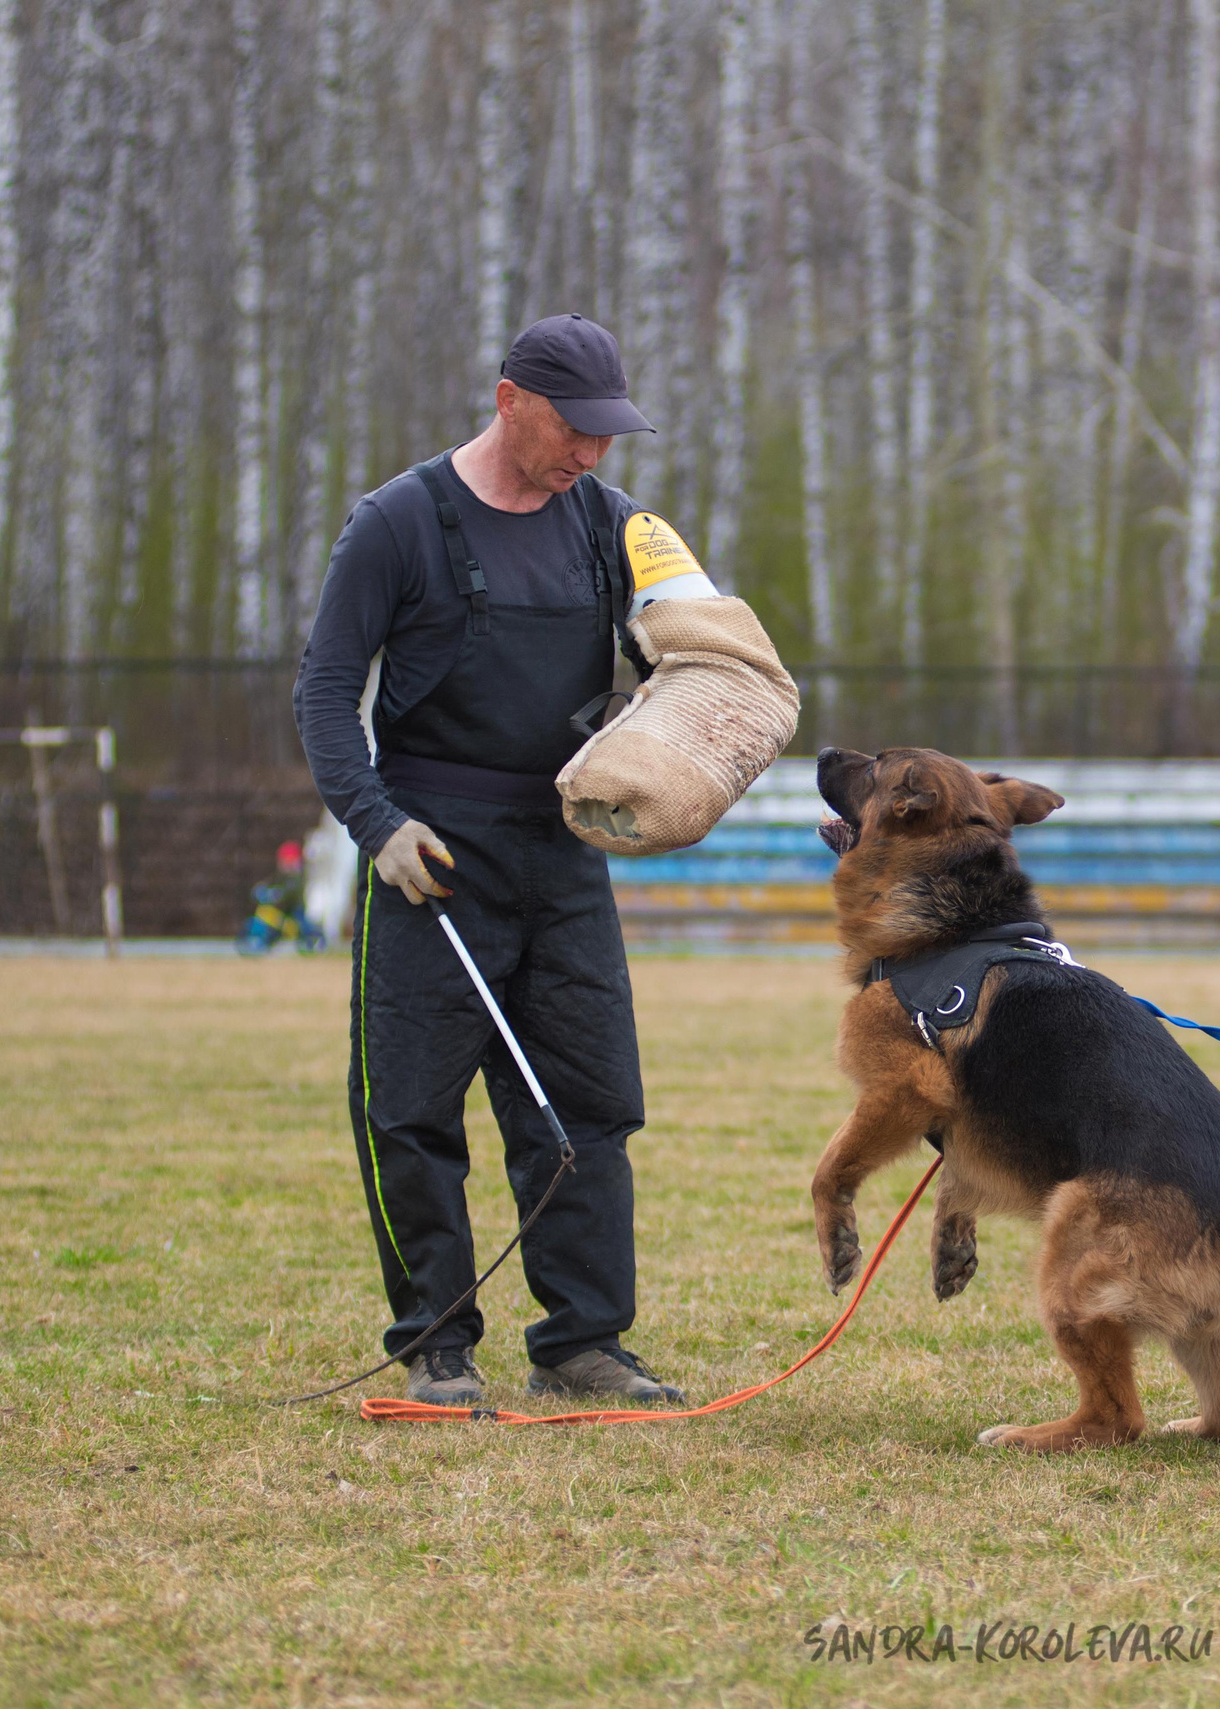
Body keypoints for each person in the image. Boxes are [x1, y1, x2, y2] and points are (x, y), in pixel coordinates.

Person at [294, 315, 707, 1409]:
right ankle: (435, 1345)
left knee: (585, 1107)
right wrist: (377, 825)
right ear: (509, 399)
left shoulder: (615, 527)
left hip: (564, 851)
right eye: (575, 430)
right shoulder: (398, 524)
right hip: (432, 855)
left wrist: (691, 748)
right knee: (410, 1109)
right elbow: (325, 692)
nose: (592, 454)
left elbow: (703, 656)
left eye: (608, 435)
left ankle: (585, 1343)